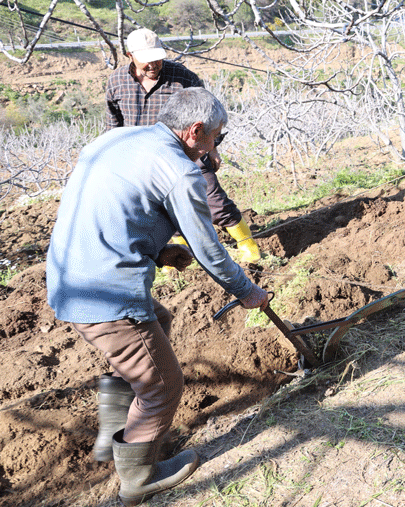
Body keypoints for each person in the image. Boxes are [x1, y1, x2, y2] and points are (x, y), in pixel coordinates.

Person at [47, 87, 270, 507]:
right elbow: (208, 250)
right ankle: (138, 478)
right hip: (106, 294)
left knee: (159, 321)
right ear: (195, 130)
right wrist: (247, 290)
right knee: (164, 386)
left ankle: (113, 435)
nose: (215, 147)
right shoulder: (180, 172)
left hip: (68, 277)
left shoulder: (118, 139)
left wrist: (158, 250)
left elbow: (115, 209)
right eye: (216, 137)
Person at [106, 27, 260, 262]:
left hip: (186, 152)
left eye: (157, 58)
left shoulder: (183, 77)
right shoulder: (116, 81)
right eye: (146, 60)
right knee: (161, 211)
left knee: (213, 200)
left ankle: (247, 244)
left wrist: (213, 148)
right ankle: (177, 258)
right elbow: (113, 125)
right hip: (141, 158)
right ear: (130, 55)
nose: (153, 65)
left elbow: (209, 115)